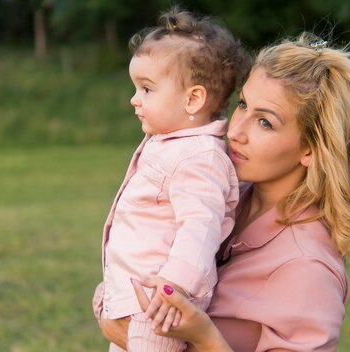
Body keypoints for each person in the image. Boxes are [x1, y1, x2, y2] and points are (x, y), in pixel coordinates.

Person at [101, 32, 350, 351]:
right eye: (243, 104)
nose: (235, 132)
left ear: (310, 148)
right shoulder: (218, 193)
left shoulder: (307, 267)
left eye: (265, 122)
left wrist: (203, 337)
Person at [92, 6, 252, 352]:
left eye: (147, 89)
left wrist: (175, 286)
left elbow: (200, 226)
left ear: (193, 99)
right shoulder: (172, 143)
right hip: (138, 301)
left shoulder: (199, 157)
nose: (134, 100)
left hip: (161, 308)